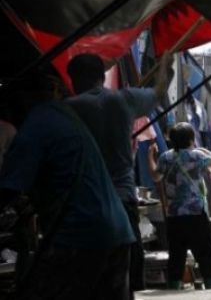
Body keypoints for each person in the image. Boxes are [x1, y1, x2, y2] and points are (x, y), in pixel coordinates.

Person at [0, 71, 134, 300]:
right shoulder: (65, 116)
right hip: (117, 232)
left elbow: (8, 189)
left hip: (80, 235)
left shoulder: (37, 124)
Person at [66, 52, 171, 295]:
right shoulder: (125, 99)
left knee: (85, 283)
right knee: (122, 281)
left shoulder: (67, 109)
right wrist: (165, 66)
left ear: (73, 80)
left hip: (82, 205)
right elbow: (159, 91)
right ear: (102, 76)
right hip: (123, 202)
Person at [147, 122, 211, 290]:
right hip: (196, 213)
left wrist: (150, 156)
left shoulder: (165, 157)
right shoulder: (196, 156)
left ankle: (174, 286)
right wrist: (203, 150)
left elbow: (156, 177)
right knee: (205, 252)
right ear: (191, 139)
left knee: (176, 254)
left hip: (174, 215)